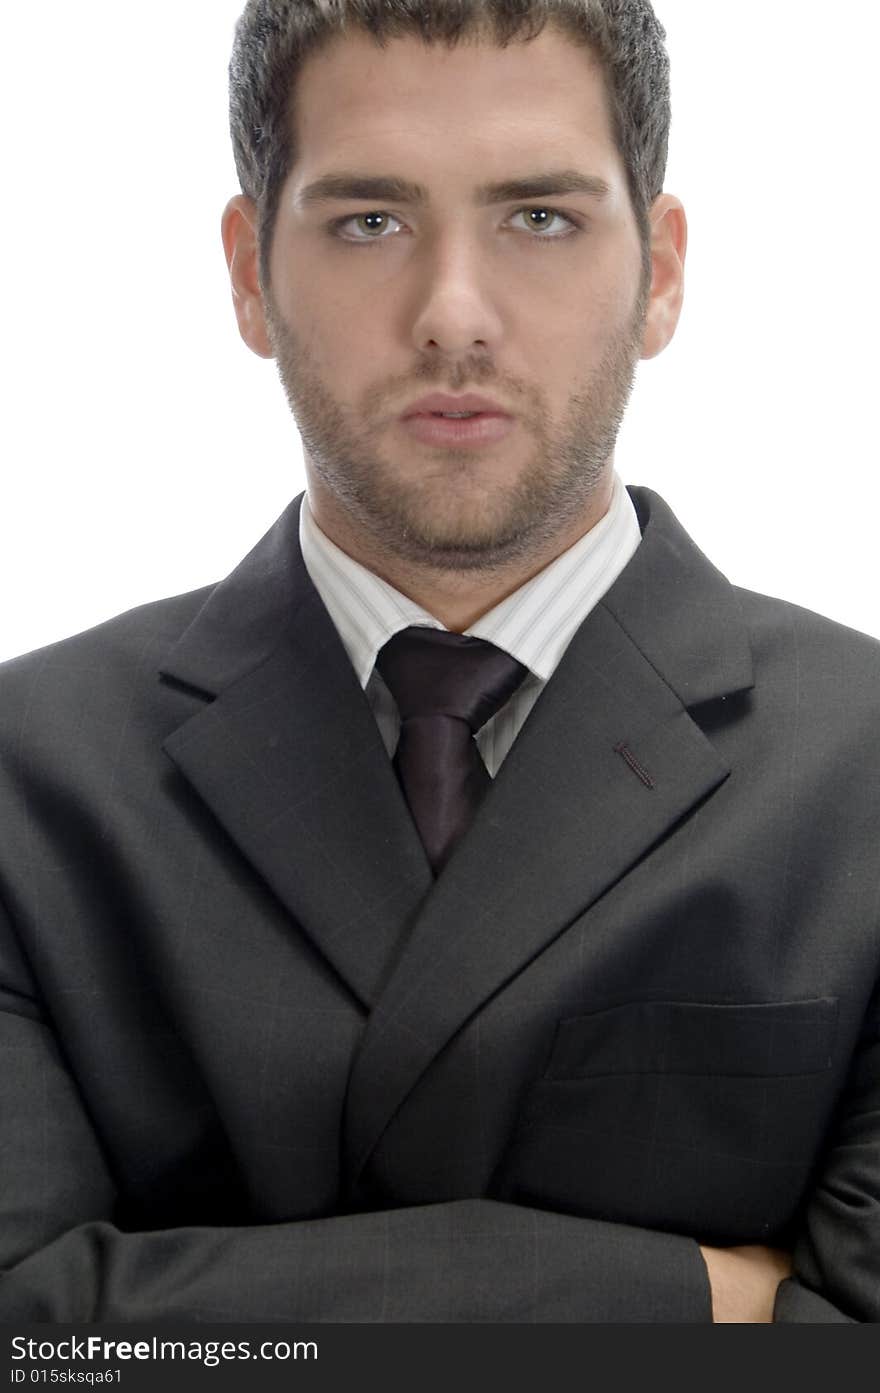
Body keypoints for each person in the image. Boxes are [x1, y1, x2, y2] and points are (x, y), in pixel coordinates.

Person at [0, 0, 877, 1324]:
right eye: (369, 221)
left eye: (539, 217)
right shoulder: (28, 776)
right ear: (248, 270)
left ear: (665, 270)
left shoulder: (862, 767)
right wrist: (685, 1297)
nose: (453, 315)